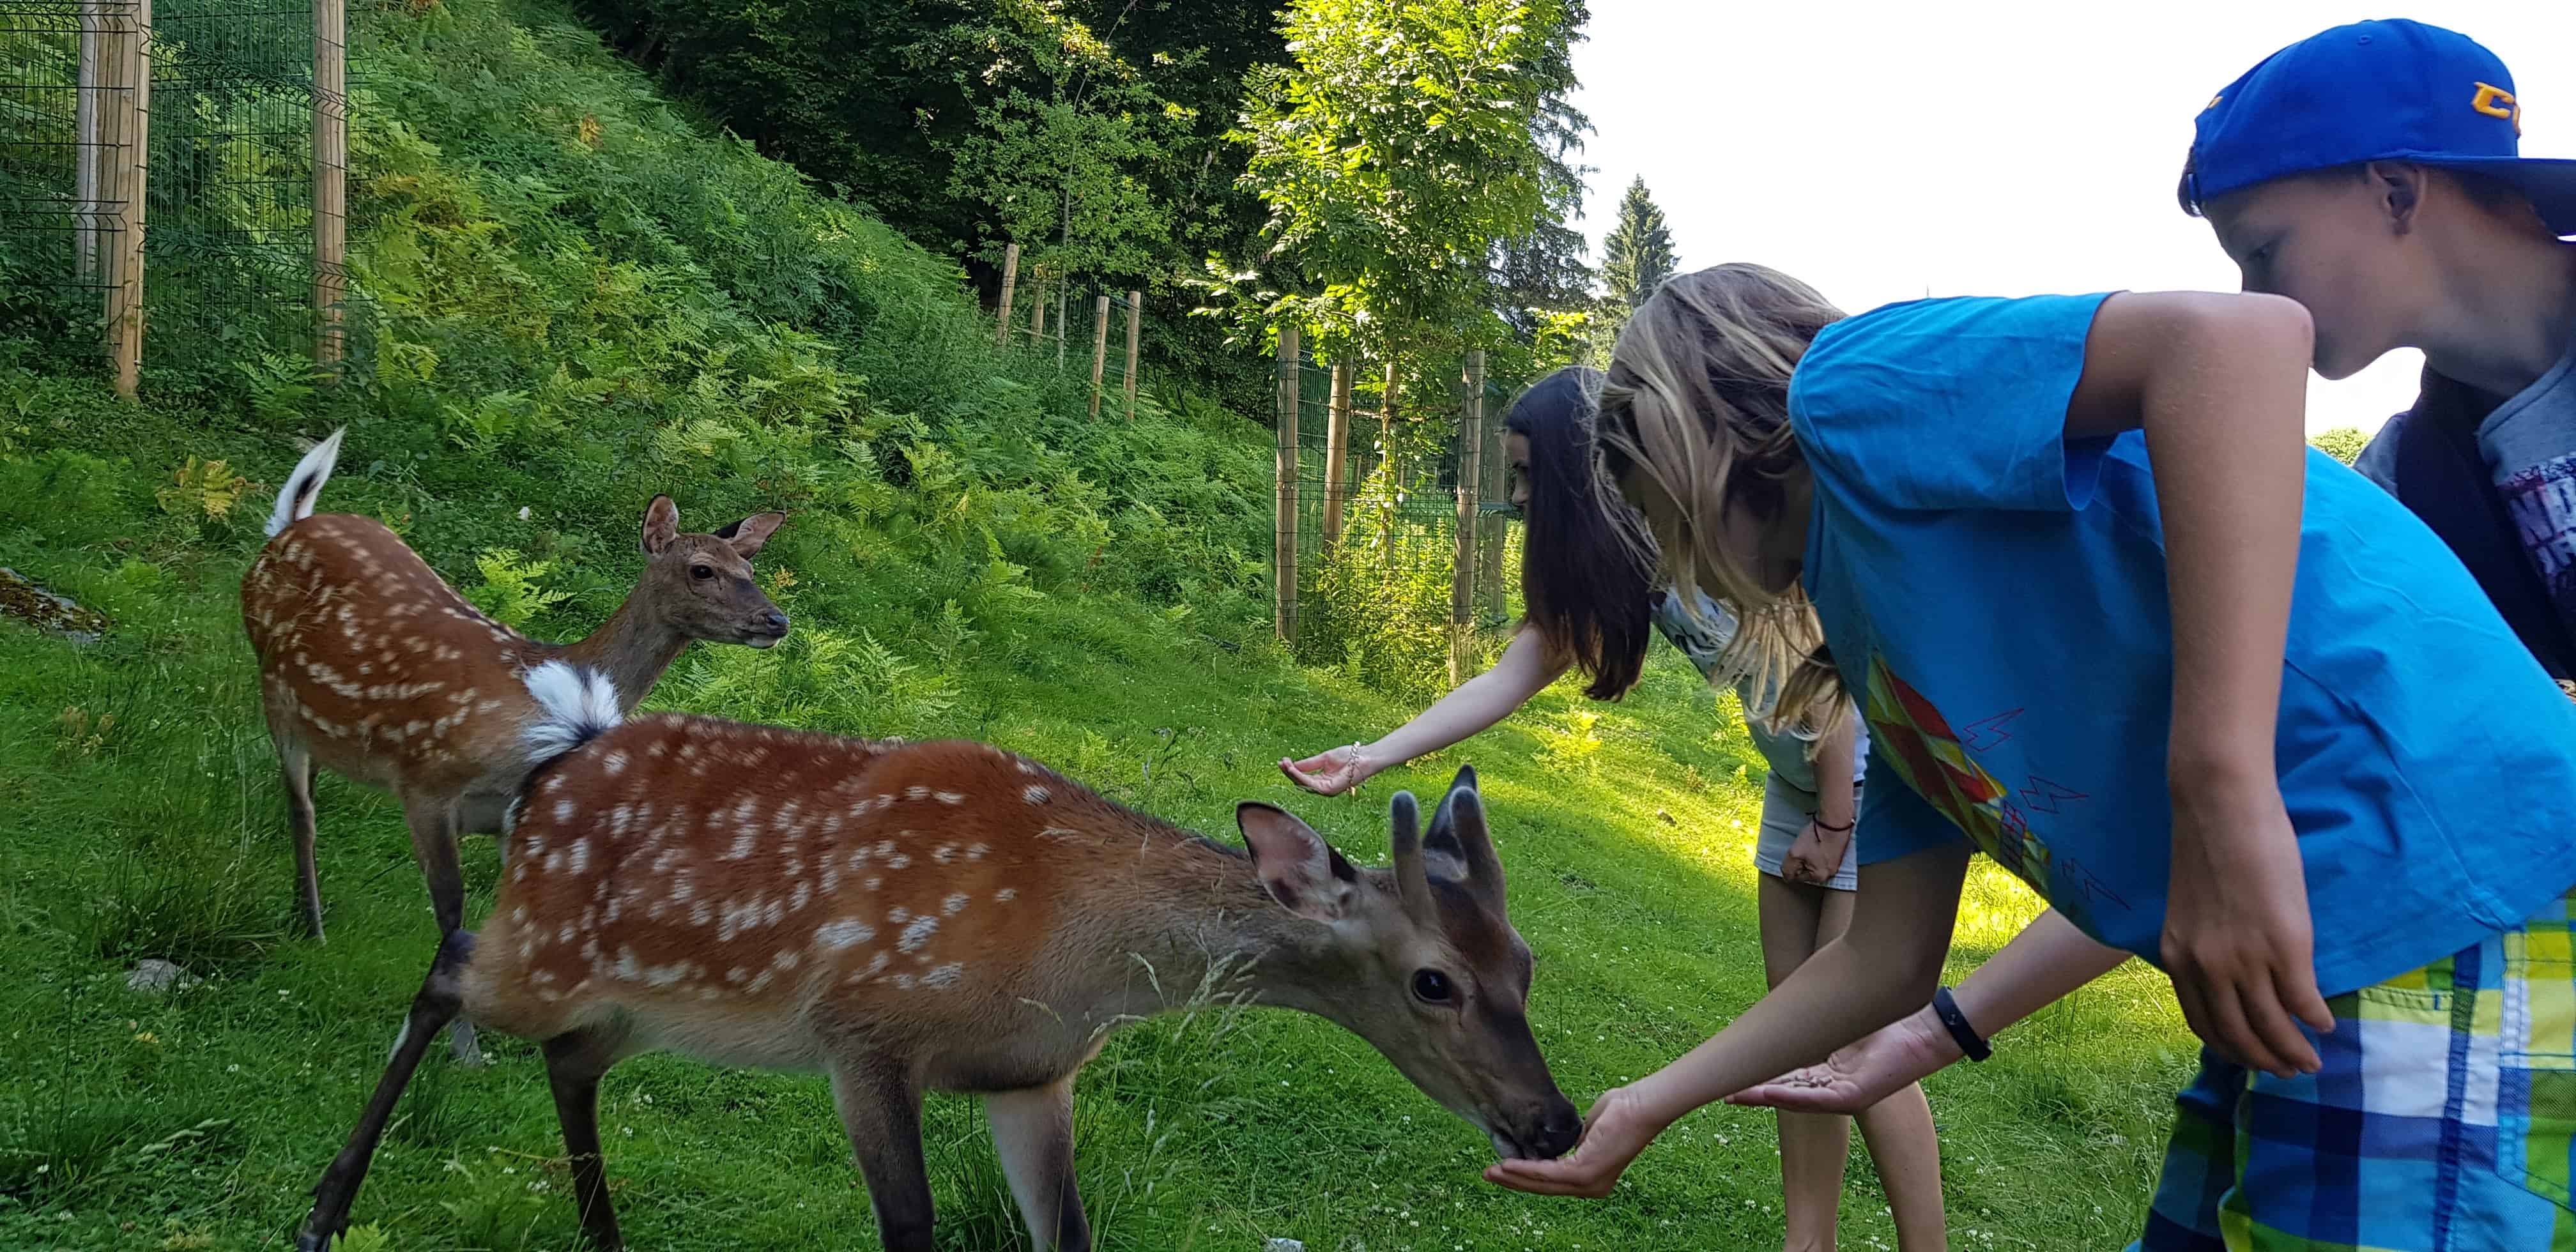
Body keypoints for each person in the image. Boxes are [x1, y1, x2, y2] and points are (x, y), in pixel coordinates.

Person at [1482, 262, 2576, 1248]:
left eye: (1642, 505)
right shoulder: (1880, 643)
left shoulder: (1846, 393)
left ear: (1670, 440)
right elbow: (1885, 959)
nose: (1665, 554)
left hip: (2445, 872)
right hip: (2310, 956)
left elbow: (2235, 340)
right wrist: (1651, 1102)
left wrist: (2219, 786)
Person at [1731, 16, 2576, 1162]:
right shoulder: (2410, 495)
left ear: (2394, 190)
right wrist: (1944, 1029)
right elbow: (2204, 853)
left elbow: (2233, 344)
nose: (2249, 291)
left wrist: (2216, 780)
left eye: (2263, 249)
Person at [1279, 366, 1948, 1251]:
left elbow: (1830, 680)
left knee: (1858, 1034)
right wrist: (1374, 755)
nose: (1517, 497)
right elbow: (1508, 676)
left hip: (1867, 779)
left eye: (1526, 476)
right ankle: (1807, 1244)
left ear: (1575, 471)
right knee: (1798, 1030)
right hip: (1800, 788)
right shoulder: (1630, 561)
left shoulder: (1721, 529)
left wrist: (1833, 824)